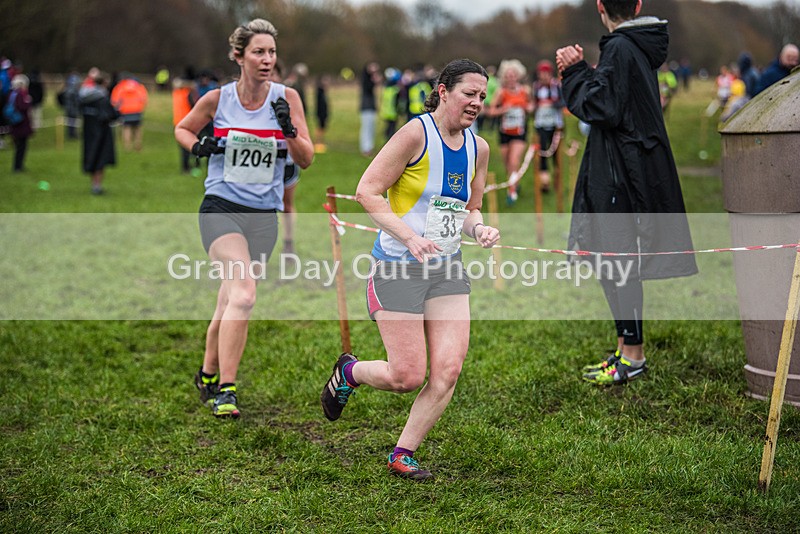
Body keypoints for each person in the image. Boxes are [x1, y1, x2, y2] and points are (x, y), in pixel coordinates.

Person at [320, 59, 500, 480]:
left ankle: (403, 453)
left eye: (482, 97)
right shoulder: (416, 134)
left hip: (447, 269)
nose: (476, 103)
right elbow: (367, 191)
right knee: (406, 375)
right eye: (468, 94)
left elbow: (469, 210)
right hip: (398, 266)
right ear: (442, 91)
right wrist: (409, 237)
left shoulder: (480, 148)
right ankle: (349, 371)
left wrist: (481, 229)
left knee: (449, 370)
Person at [175, 18, 313, 418]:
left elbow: (306, 158)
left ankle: (206, 370)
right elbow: (182, 129)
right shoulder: (219, 99)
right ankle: (227, 389)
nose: (267, 59)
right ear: (238, 56)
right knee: (246, 295)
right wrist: (201, 146)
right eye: (258, 52)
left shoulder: (287, 97)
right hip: (221, 208)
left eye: (271, 52)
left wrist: (288, 129)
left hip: (263, 216)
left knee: (228, 299)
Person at [556, 0, 697, 385]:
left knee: (618, 264)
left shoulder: (620, 46)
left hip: (622, 173)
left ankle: (632, 357)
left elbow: (603, 107)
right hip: (624, 166)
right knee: (612, 262)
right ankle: (624, 349)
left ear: (600, 6)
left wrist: (573, 72)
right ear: (637, 5)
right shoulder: (633, 44)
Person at [487, 59, 533, 205]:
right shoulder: (501, 92)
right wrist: (502, 110)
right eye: (508, 75)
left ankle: (511, 192)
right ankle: (515, 183)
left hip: (519, 132)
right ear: (504, 77)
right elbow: (490, 111)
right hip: (504, 132)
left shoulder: (525, 91)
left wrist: (527, 108)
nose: (511, 78)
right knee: (508, 164)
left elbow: (531, 106)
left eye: (513, 75)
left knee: (514, 160)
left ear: (518, 76)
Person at [79, 71, 119, 194]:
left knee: (91, 156)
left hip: (88, 131)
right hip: (101, 133)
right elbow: (109, 115)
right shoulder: (102, 97)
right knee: (100, 158)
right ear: (104, 83)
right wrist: (117, 111)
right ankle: (97, 186)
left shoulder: (84, 96)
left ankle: (93, 184)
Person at [531, 60, 564, 192]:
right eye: (541, 73)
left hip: (555, 124)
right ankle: (545, 182)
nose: (543, 76)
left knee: (556, 154)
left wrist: (550, 103)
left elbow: (563, 102)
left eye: (546, 73)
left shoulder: (556, 86)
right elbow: (534, 104)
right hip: (541, 124)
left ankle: (557, 180)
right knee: (542, 152)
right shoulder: (536, 87)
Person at [110, 74, 148, 151]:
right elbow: (144, 99)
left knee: (126, 128)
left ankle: (127, 146)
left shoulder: (120, 87)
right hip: (137, 110)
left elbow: (114, 101)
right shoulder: (139, 86)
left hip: (125, 111)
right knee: (137, 128)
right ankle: (138, 145)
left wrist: (118, 110)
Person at [6, 75, 33, 172]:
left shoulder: (12, 94)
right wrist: (29, 101)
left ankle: (18, 166)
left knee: (19, 146)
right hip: (20, 124)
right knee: (21, 147)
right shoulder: (21, 94)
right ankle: (18, 167)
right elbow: (23, 107)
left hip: (15, 123)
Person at [171, 77, 198, 173]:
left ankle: (186, 167)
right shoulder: (187, 93)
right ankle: (187, 167)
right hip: (187, 123)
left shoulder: (176, 93)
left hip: (177, 122)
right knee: (188, 147)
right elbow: (194, 106)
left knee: (183, 148)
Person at [359, 62, 381, 157]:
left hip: (371, 107)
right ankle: (365, 148)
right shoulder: (365, 80)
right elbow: (369, 86)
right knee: (366, 128)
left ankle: (369, 147)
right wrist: (375, 80)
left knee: (371, 128)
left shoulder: (369, 80)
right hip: (366, 107)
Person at [57, 71, 82, 139]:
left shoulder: (67, 89)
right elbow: (76, 100)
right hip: (72, 107)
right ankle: (72, 134)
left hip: (68, 107)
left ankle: (72, 133)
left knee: (71, 121)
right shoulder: (73, 90)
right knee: (72, 121)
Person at [314, 74, 330, 153]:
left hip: (324, 113)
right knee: (319, 128)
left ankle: (321, 142)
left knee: (322, 128)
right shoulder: (319, 91)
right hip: (320, 114)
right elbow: (319, 104)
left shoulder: (323, 91)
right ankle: (318, 143)